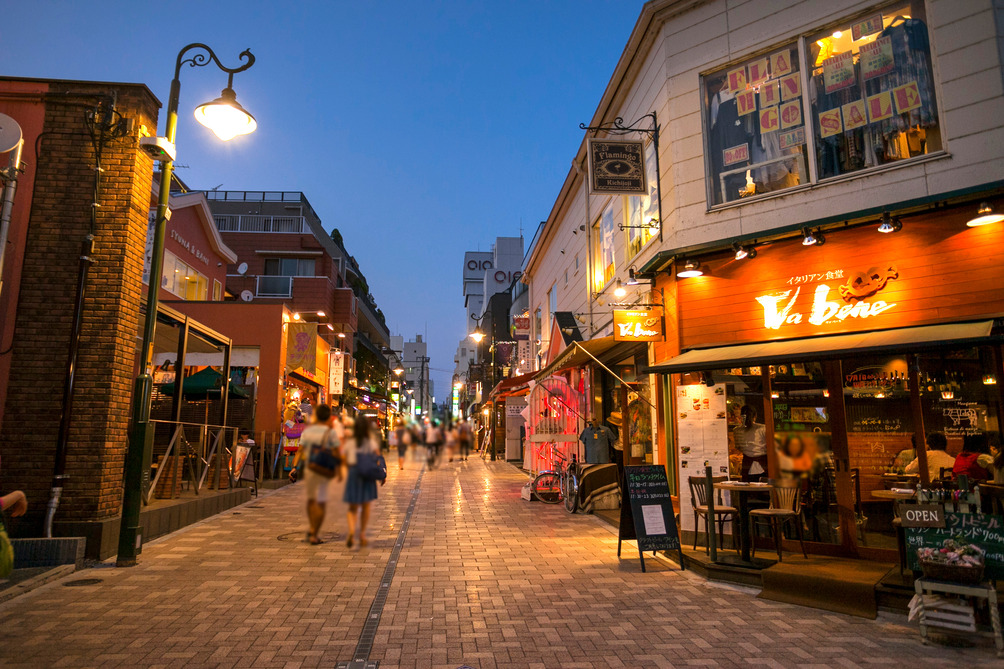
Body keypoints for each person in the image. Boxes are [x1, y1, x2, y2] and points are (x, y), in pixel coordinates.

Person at [289, 404, 341, 545]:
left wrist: (294, 467)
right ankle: (314, 533)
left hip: (310, 469)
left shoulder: (308, 432)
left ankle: (312, 529)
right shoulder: (331, 433)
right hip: (324, 470)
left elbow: (300, 451)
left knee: (312, 500)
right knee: (321, 502)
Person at [343, 417, 384, 548]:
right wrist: (381, 474)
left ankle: (351, 531)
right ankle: (362, 534)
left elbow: (344, 459)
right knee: (366, 505)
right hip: (367, 474)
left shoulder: (351, 442)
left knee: (353, 507)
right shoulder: (370, 442)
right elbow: (378, 458)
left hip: (354, 473)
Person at [735, 404, 767, 481]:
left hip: (747, 465)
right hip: (763, 465)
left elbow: (738, 447)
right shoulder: (763, 428)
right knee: (764, 490)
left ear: (741, 416)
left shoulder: (737, 430)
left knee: (747, 490)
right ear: (755, 415)